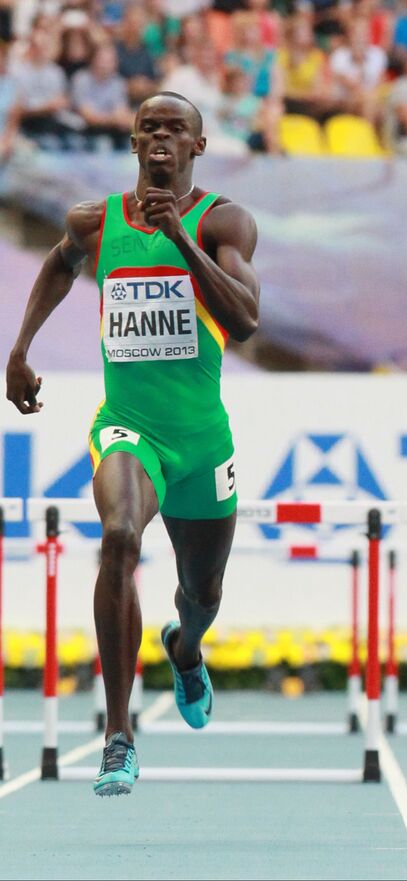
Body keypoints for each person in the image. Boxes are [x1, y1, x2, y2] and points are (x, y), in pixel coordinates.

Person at [5, 92, 261, 797]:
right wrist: (20, 349)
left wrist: (180, 239)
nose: (159, 137)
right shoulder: (96, 221)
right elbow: (61, 263)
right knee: (118, 535)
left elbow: (243, 322)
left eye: (174, 129)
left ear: (195, 148)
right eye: (148, 127)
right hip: (128, 427)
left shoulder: (224, 222)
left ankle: (185, 649)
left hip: (202, 442)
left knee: (201, 593)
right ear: (134, 142)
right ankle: (119, 734)